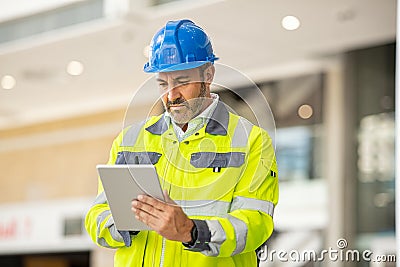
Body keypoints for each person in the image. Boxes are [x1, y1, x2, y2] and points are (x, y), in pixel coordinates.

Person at [85, 19, 279, 267]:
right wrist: (127, 223)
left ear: (208, 75)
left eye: (182, 81)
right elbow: (96, 218)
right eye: (163, 83)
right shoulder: (129, 141)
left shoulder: (251, 141)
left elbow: (256, 224)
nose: (170, 95)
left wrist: (192, 232)